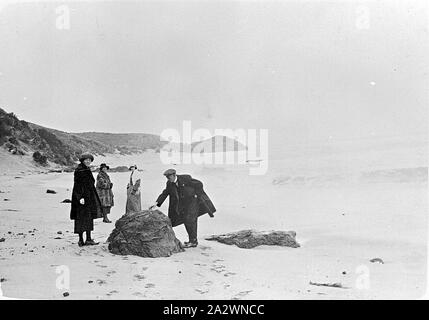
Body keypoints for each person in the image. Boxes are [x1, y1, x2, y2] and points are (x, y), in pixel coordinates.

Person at [149, 169, 216, 248]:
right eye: (167, 177)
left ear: (174, 175)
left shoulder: (185, 178)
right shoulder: (169, 183)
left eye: (169, 177)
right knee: (186, 220)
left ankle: (193, 241)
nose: (168, 179)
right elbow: (165, 193)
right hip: (183, 205)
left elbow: (199, 184)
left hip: (192, 202)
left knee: (191, 220)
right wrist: (157, 203)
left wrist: (197, 195)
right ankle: (192, 240)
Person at [70, 153, 102, 247]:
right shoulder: (80, 170)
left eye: (89, 160)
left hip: (89, 197)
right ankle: (81, 240)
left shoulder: (86, 169)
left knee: (88, 217)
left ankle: (88, 239)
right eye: (86, 160)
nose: (88, 161)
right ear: (82, 160)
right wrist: (80, 197)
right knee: (81, 217)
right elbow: (77, 185)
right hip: (82, 197)